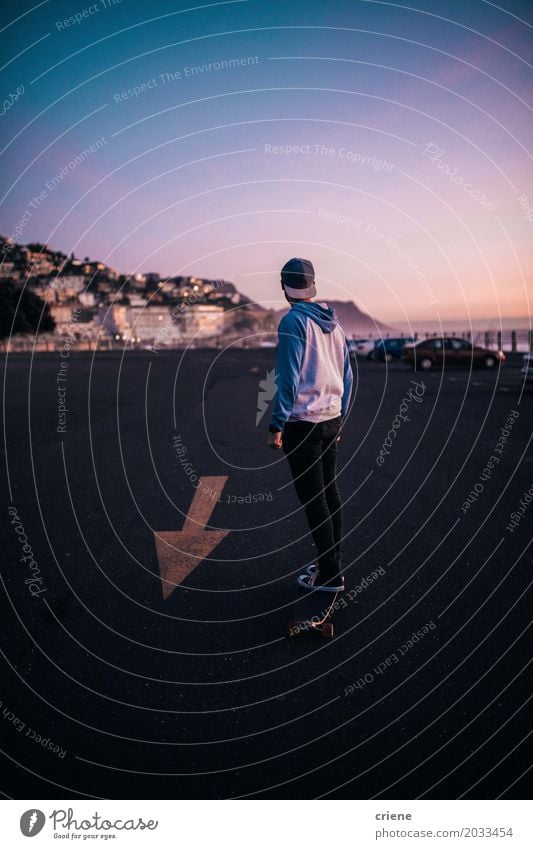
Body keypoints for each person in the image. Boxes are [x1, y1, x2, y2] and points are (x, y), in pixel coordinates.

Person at [267, 257, 353, 591]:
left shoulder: (292, 323)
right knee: (329, 493)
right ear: (312, 285)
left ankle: (330, 574)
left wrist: (276, 425)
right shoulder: (335, 323)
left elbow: (287, 379)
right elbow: (347, 374)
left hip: (303, 424)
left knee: (313, 498)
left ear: (284, 287)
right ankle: (332, 563)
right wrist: (341, 415)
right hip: (331, 419)